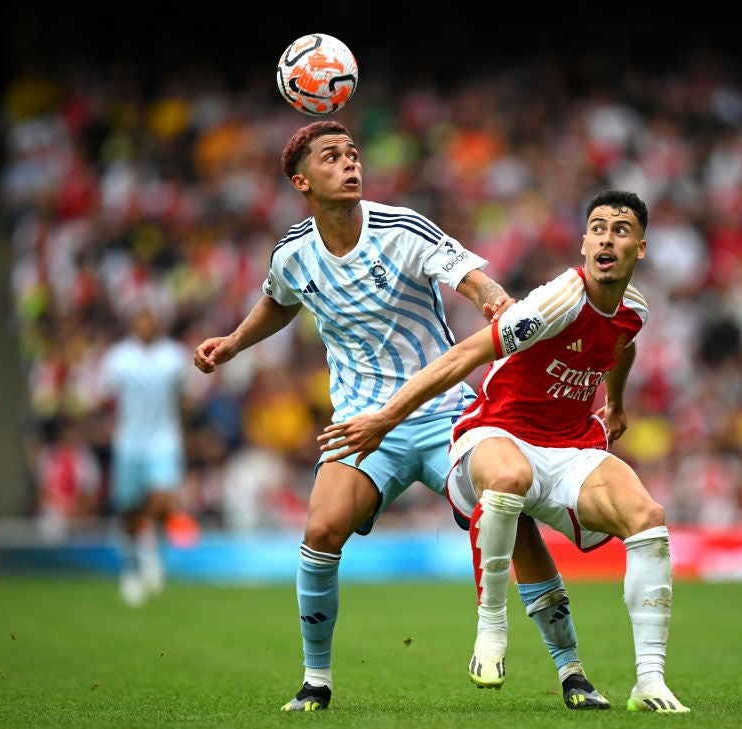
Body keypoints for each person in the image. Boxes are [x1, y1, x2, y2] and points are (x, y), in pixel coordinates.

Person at [192, 120, 608, 712]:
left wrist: (493, 298)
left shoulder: (400, 227)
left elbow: (470, 279)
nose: (350, 163)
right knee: (320, 532)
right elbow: (281, 299)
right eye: (332, 157)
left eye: (353, 153)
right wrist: (234, 341)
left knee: (511, 519)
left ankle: (572, 671)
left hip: (447, 414)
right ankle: (316, 680)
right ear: (301, 181)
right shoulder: (292, 254)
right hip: (364, 425)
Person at [319, 189, 690, 713]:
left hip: (568, 446)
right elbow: (465, 354)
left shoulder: (634, 309)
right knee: (510, 478)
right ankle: (491, 627)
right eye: (599, 227)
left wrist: (619, 403)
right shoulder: (556, 301)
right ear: (584, 243)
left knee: (648, 518)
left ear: (641, 249)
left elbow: (621, 346)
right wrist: (386, 418)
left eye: (621, 229)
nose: (608, 237)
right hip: (495, 433)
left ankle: (650, 682)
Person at [99, 303, 196, 607]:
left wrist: (184, 431)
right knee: (129, 509)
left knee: (163, 499)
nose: (145, 326)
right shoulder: (118, 359)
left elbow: (184, 398)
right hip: (129, 442)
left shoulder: (173, 357)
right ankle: (130, 568)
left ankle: (150, 554)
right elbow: (105, 399)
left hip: (164, 439)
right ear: (132, 324)